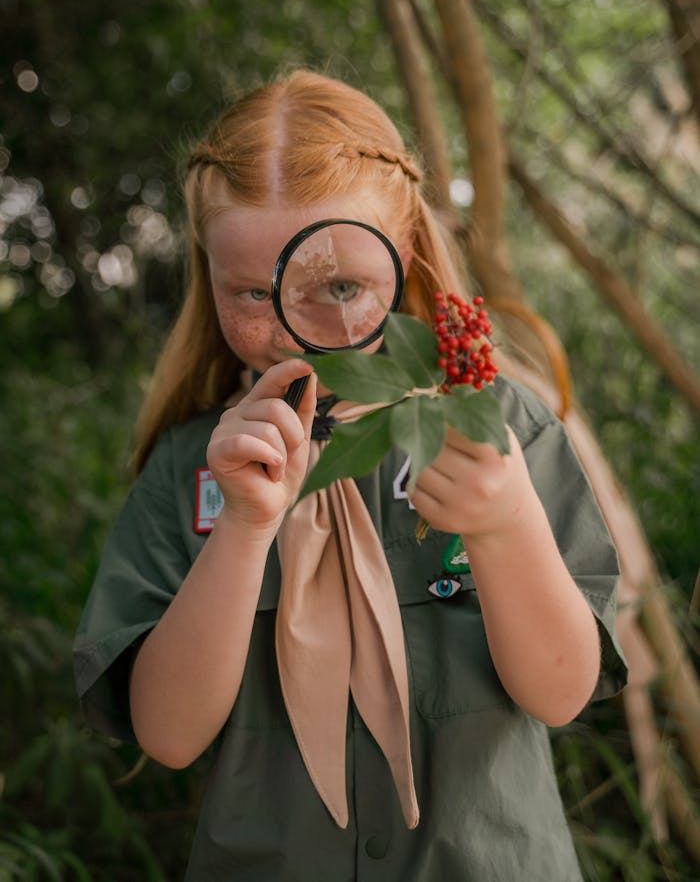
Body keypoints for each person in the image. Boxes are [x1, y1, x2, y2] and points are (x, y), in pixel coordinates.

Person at [74, 69, 627, 881]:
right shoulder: (192, 470)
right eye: (254, 294)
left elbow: (561, 693)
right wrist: (242, 529)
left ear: (399, 258)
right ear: (210, 278)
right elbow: (168, 733)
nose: (298, 331)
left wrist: (507, 524)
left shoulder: (494, 429)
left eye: (338, 286)